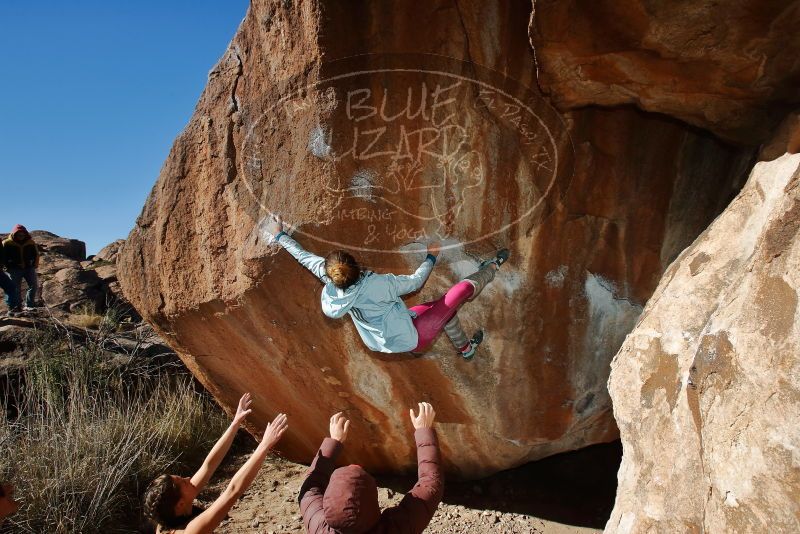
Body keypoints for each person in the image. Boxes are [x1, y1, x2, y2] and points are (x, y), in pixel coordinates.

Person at [268, 215, 509, 360]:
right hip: (413, 336)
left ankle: (466, 349)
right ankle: (492, 268)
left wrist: (280, 236)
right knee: (457, 295)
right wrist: (431, 257)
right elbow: (415, 281)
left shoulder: (331, 284)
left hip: (387, 338)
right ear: (354, 264)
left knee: (444, 312)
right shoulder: (377, 284)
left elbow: (303, 256)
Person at [143, 393, 288, 534]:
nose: (189, 479)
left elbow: (208, 465)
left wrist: (236, 422)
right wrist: (264, 445)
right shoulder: (191, 531)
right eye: (184, 482)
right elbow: (232, 491)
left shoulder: (167, 516)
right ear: (180, 504)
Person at [299, 403, 443, 534]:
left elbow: (309, 489)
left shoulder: (319, 528)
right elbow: (431, 483)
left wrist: (333, 441)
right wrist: (424, 431)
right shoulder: (397, 527)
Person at [2, 225, 40, 314]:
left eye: (23, 235)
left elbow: (36, 254)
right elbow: (3, 256)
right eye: (19, 235)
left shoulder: (30, 242)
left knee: (33, 285)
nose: (21, 237)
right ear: (14, 234)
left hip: (28, 268)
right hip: (14, 269)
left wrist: (35, 264)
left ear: (25, 234)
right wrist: (7, 266)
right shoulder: (7, 243)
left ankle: (29, 305)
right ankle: (17, 307)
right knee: (15, 288)